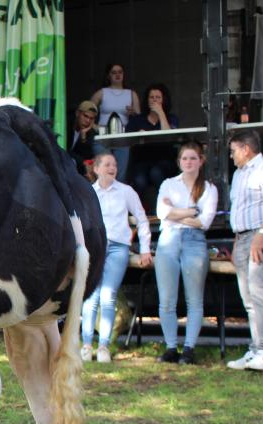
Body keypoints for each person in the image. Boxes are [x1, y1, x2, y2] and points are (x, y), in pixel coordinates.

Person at [81, 151, 152, 363]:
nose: (112, 168)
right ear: (96, 169)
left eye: (114, 165)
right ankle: (85, 344)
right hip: (95, 247)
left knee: (108, 295)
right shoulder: (90, 193)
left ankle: (103, 346)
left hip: (118, 247)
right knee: (90, 296)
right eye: (107, 165)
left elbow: (141, 218)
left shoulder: (125, 191)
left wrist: (145, 248)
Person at [225, 131, 263, 371]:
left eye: (233, 151)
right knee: (248, 297)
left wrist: (261, 235)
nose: (231, 157)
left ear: (246, 149)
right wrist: (237, 238)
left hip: (261, 235)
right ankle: (255, 349)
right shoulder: (240, 174)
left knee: (258, 290)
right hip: (242, 236)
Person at [154, 142, 218, 365]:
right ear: (179, 162)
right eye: (184, 159)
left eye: (193, 158)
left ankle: (189, 348)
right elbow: (161, 212)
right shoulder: (169, 184)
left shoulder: (209, 188)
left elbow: (205, 221)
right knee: (167, 299)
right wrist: (191, 211)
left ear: (201, 161)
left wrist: (175, 213)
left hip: (194, 241)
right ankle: (171, 347)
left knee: (194, 299)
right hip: (168, 241)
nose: (188, 162)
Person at [125, 84, 180, 204]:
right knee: (139, 180)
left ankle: (166, 206)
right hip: (143, 160)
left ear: (164, 100)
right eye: (151, 97)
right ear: (147, 100)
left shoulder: (171, 118)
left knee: (156, 172)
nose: (154, 100)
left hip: (165, 160)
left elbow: (169, 136)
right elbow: (127, 139)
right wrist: (137, 134)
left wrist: (160, 113)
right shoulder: (137, 120)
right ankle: (141, 211)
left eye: (158, 97)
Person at [90, 63, 140, 182]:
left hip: (123, 137)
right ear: (108, 76)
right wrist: (94, 126)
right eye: (114, 72)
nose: (117, 75)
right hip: (103, 135)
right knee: (104, 168)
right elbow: (86, 111)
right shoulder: (102, 92)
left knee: (120, 173)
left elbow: (140, 118)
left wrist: (132, 113)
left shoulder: (131, 94)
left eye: (120, 72)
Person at [69, 100, 102, 177]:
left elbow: (86, 156)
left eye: (91, 118)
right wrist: (83, 161)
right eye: (85, 116)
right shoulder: (66, 125)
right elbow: (64, 150)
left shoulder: (92, 133)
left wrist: (83, 138)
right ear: (77, 113)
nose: (88, 121)